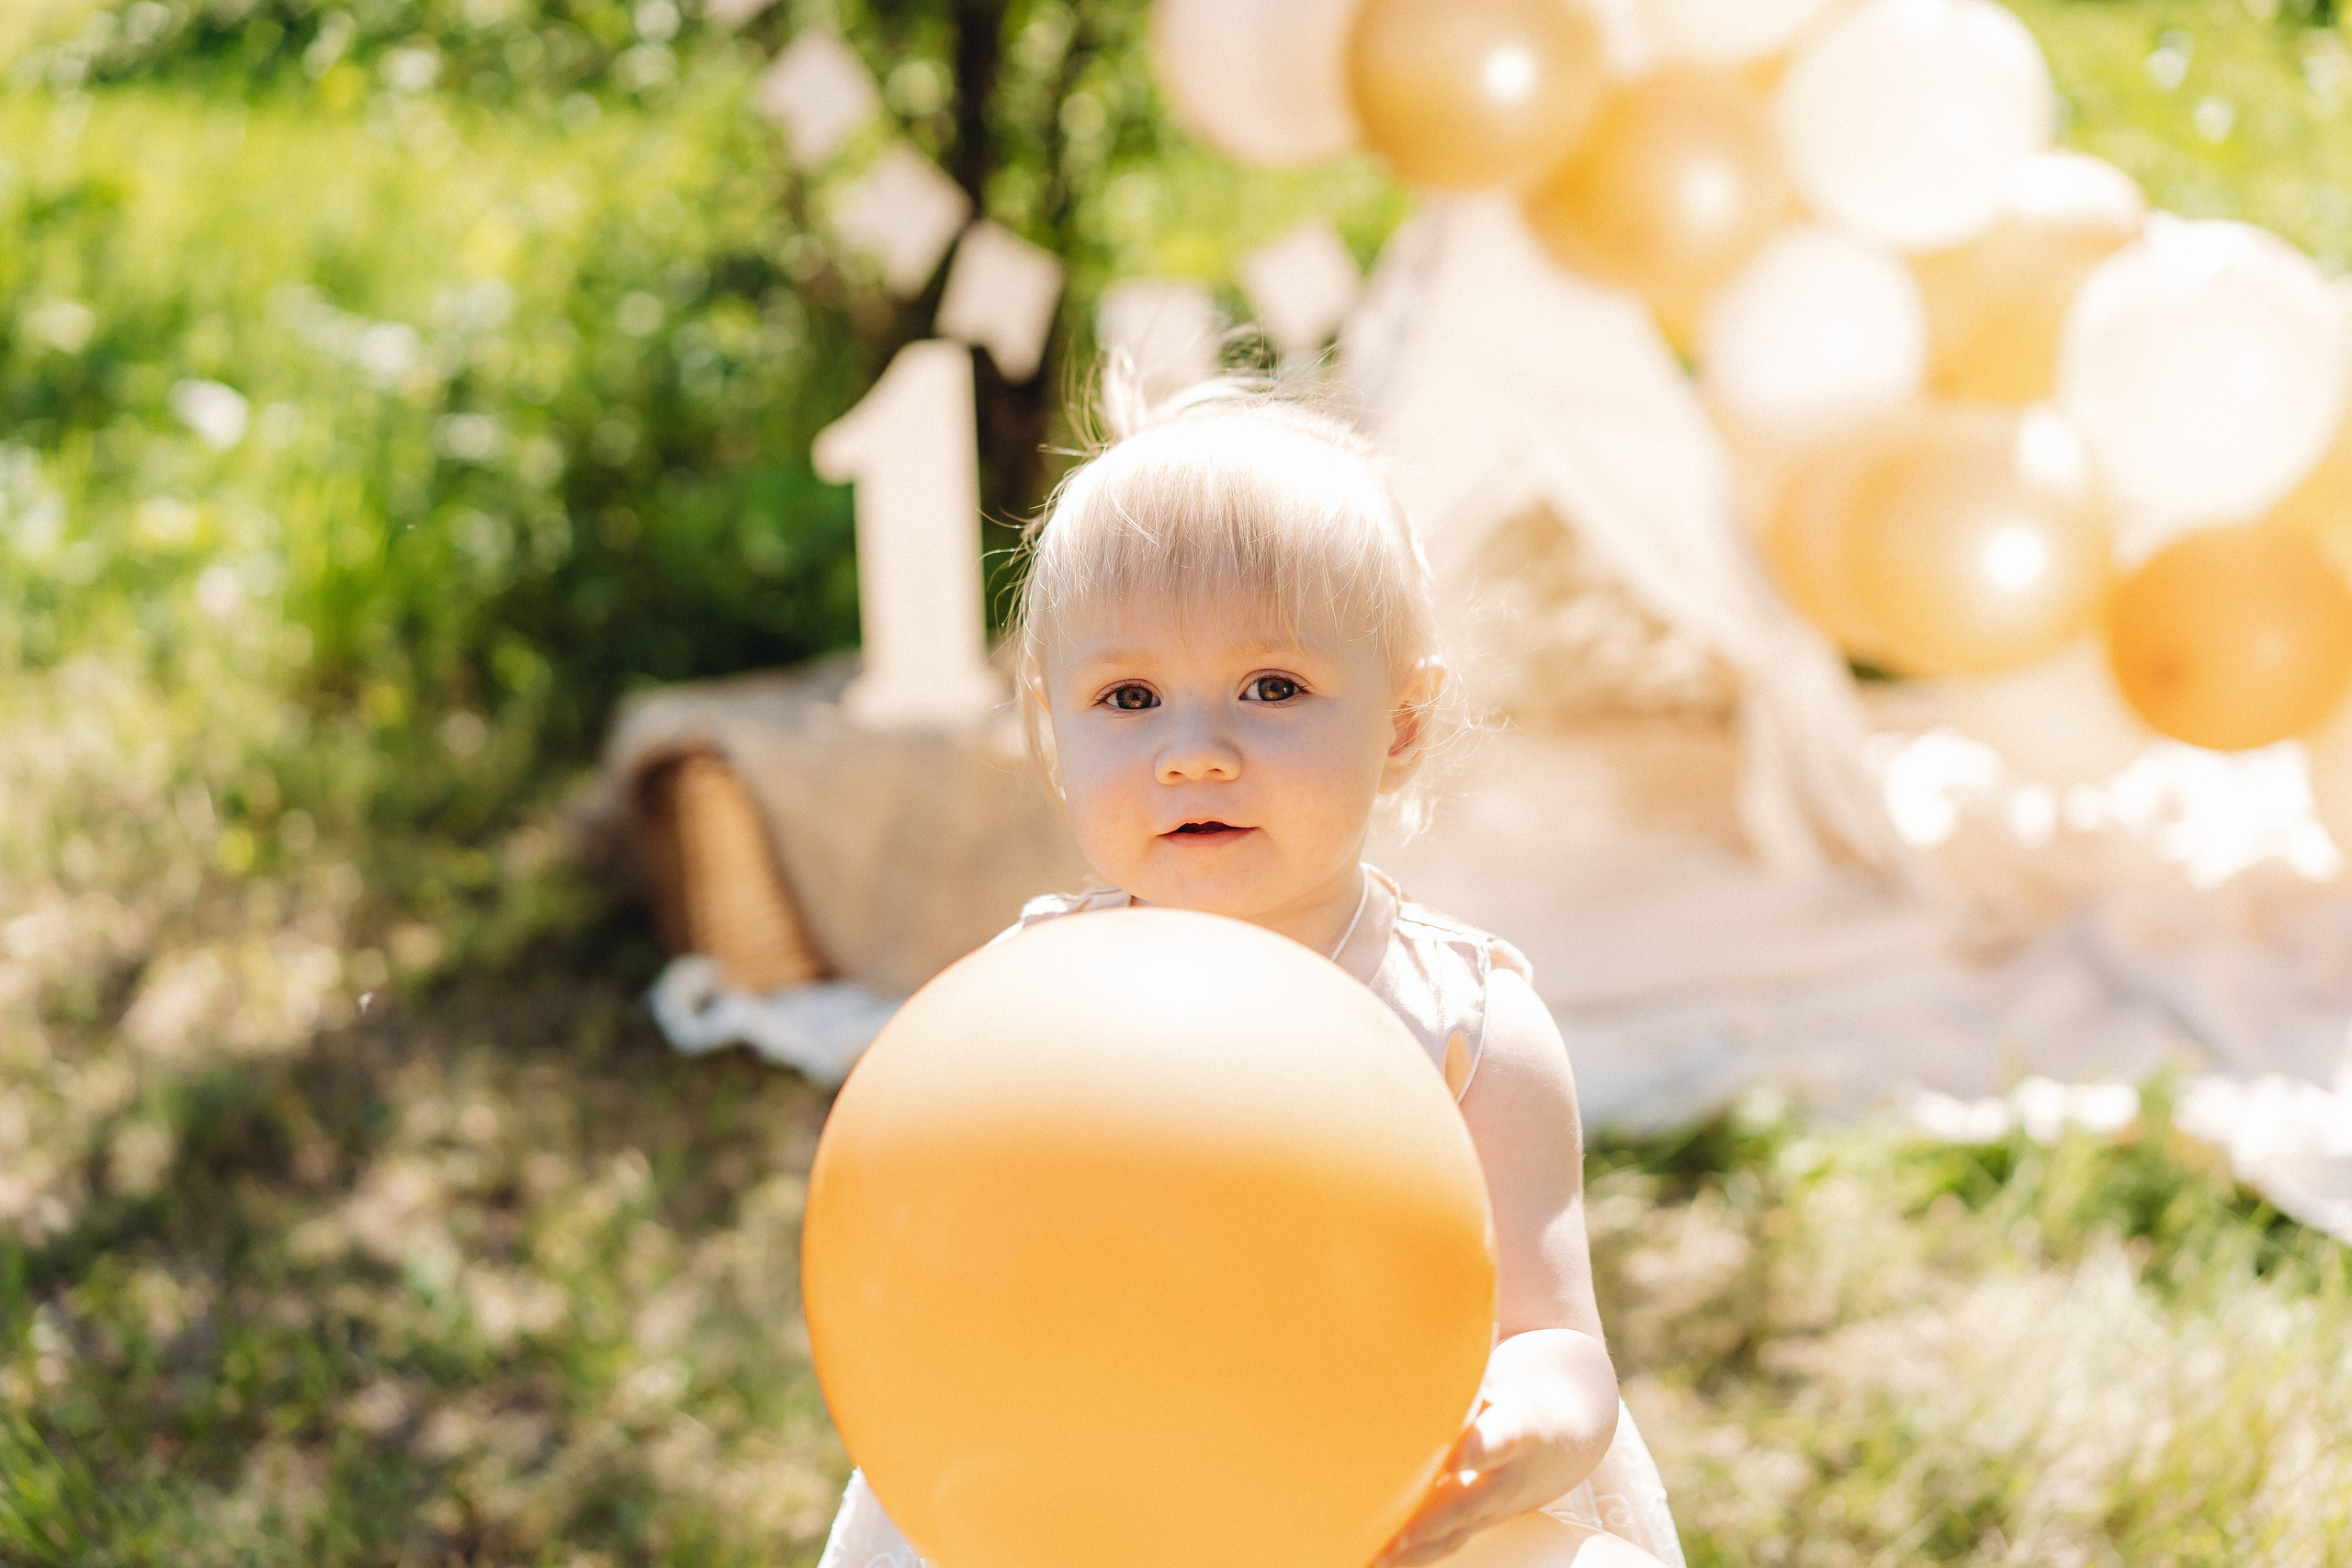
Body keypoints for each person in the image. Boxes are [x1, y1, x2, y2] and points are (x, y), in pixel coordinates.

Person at [816, 372, 1682, 1568]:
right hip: (1072, 1500)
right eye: (1129, 697)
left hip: (1387, 1514)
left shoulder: (1468, 1024)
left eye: (1270, 688)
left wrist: (1518, 1426)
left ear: (1400, 728)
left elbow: (1555, 1339)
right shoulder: (1029, 1013)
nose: (1194, 753)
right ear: (1052, 736)